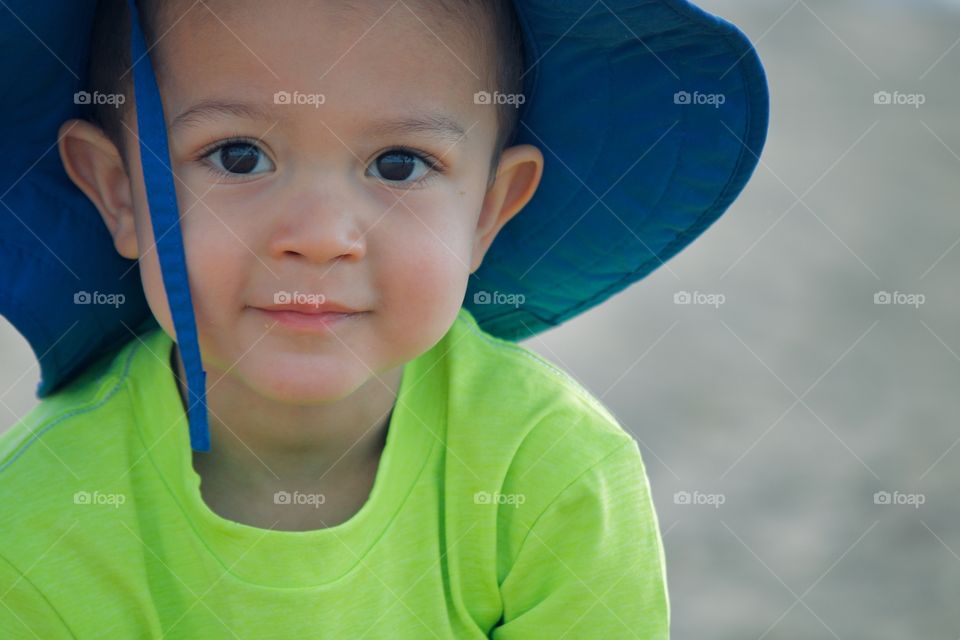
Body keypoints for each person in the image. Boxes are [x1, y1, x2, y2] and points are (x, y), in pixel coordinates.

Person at [0, 0, 768, 636]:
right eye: (238, 156)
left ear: (489, 214)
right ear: (118, 192)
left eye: (399, 165)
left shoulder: (552, 476)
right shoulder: (34, 521)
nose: (320, 235)